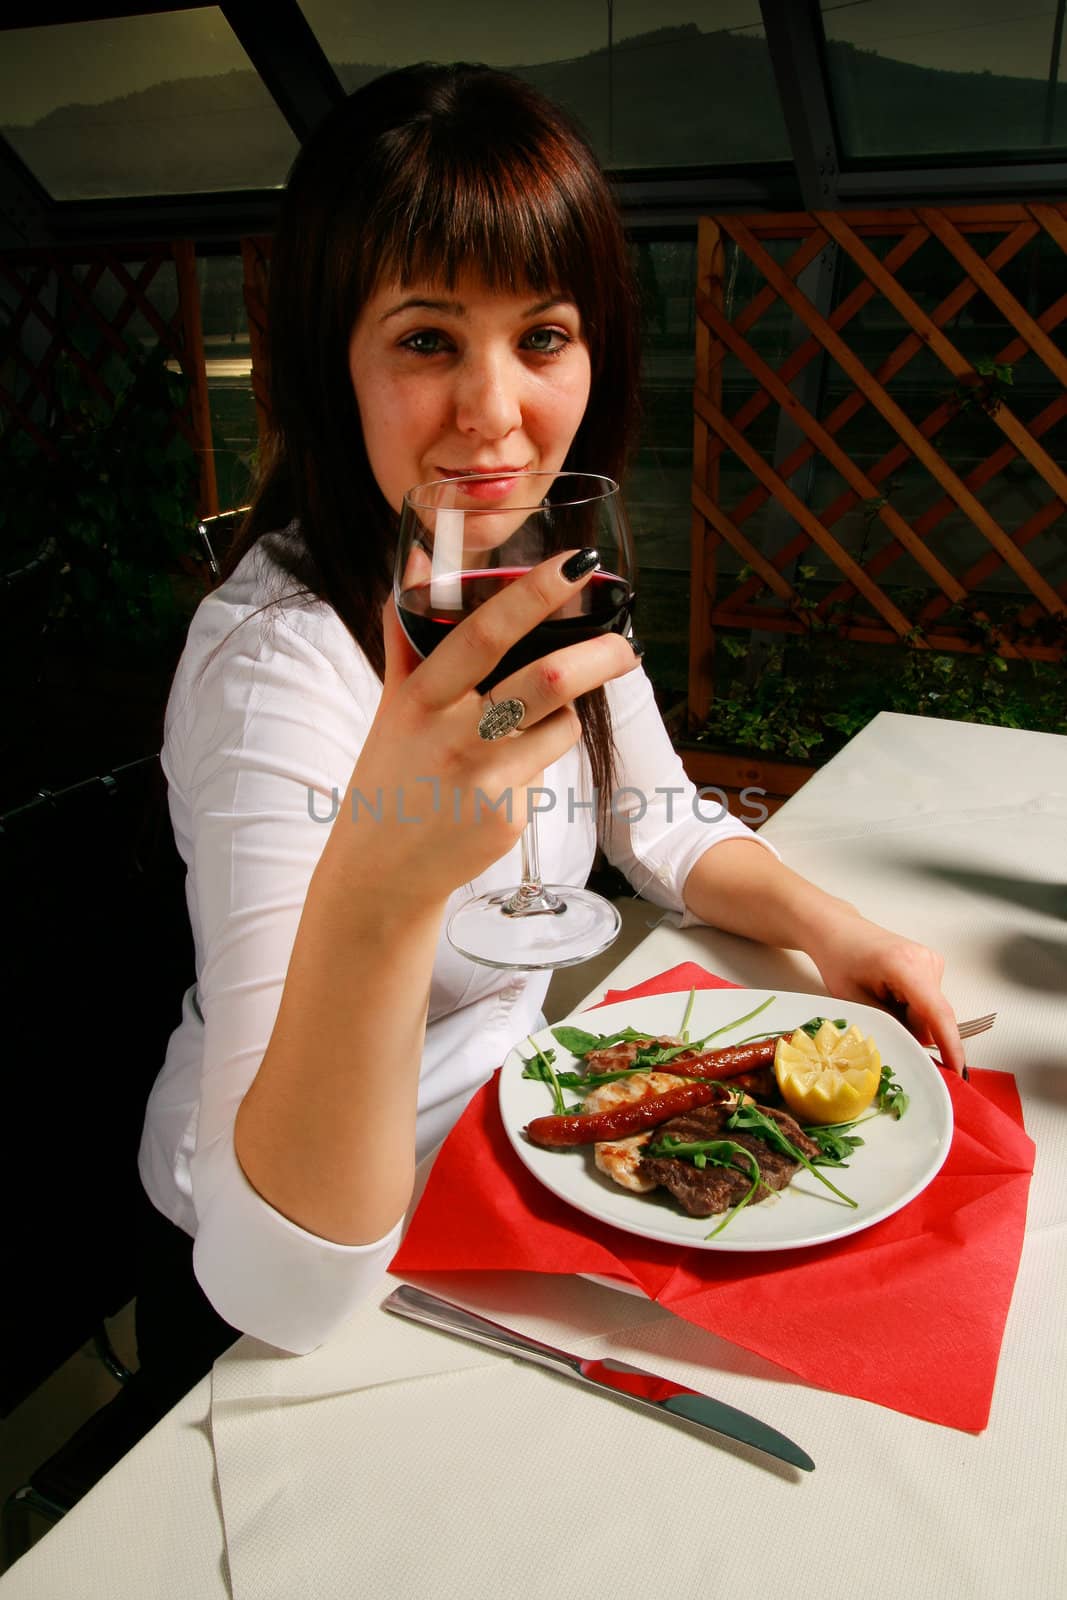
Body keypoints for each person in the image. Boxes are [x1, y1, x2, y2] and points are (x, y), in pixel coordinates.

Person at [137, 62, 963, 1377]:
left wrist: (843, 935)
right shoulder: (275, 669)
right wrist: (387, 888)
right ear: (329, 360)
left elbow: (662, 821)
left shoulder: (537, 582)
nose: (494, 413)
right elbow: (269, 1286)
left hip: (507, 1162)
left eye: (543, 336)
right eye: (425, 340)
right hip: (319, 1250)